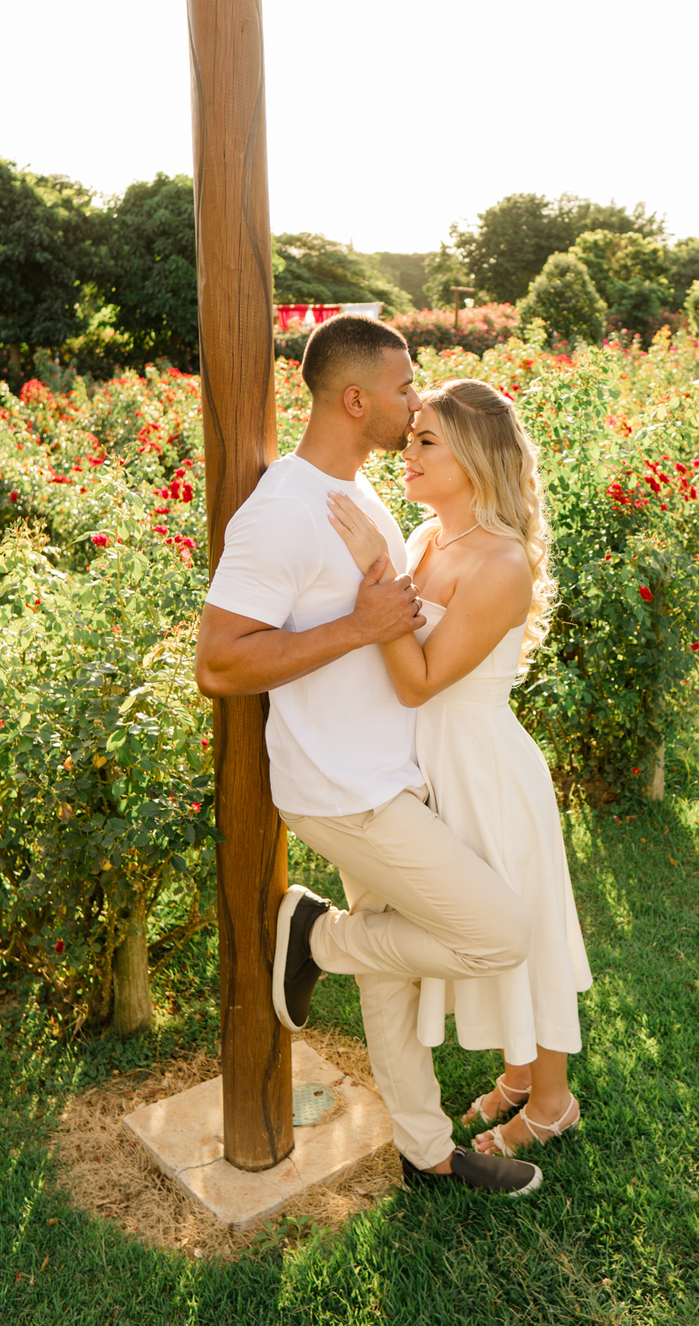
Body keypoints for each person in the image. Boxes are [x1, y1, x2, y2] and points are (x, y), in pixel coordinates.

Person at [194, 315, 543, 1198]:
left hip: (387, 775)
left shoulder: (364, 497)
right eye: (402, 386)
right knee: (496, 935)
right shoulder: (282, 511)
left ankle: (425, 1153)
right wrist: (359, 624)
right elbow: (219, 661)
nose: (415, 398)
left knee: (390, 984)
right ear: (355, 399)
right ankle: (312, 936)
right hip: (345, 790)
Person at [327, 377, 591, 1157]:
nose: (404, 452)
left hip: (484, 770)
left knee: (521, 929)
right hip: (429, 763)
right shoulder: (429, 541)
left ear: (473, 458)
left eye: (425, 441)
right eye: (409, 437)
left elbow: (418, 678)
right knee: (463, 921)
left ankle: (550, 1101)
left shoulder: (499, 564)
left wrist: (375, 575)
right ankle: (516, 1073)